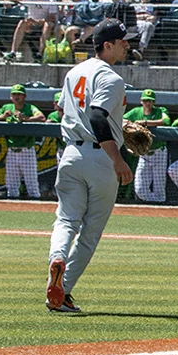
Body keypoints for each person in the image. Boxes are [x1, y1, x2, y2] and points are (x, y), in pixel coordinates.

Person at [45, 19, 136, 313]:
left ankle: (57, 258)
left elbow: (61, 108)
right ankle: (63, 291)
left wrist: (119, 126)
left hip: (70, 153)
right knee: (90, 232)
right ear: (106, 45)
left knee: (66, 219)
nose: (127, 44)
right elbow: (97, 117)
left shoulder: (74, 71)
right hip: (100, 157)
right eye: (122, 41)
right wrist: (117, 158)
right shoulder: (111, 77)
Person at [0, 84, 46, 199]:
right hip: (11, 151)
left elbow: (41, 117)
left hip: (27, 150)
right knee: (11, 185)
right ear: (11, 96)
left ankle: (36, 207)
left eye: (19, 94)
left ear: (24, 96)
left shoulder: (29, 108)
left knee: (32, 185)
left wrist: (27, 119)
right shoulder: (7, 107)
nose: (17, 97)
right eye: (14, 94)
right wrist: (3, 116)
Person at [123, 88, 169, 203]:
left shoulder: (160, 110)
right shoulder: (136, 112)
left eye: (150, 101)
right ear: (141, 101)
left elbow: (166, 121)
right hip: (143, 153)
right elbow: (122, 119)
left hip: (159, 152)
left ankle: (159, 207)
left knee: (159, 188)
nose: (148, 103)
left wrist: (145, 123)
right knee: (139, 189)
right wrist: (130, 124)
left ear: (154, 102)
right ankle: (154, 204)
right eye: (145, 100)